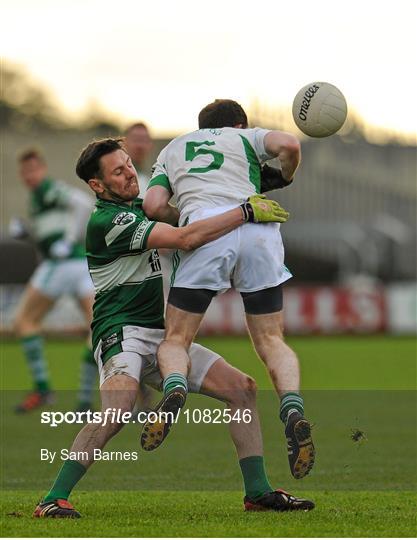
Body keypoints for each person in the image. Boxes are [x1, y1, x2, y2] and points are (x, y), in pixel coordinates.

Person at [33, 137, 314, 517]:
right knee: (117, 410)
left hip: (161, 337)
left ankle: (258, 492)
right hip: (121, 334)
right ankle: (53, 498)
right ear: (97, 186)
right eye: (118, 171)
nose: (131, 172)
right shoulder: (108, 221)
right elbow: (186, 236)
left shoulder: (138, 206)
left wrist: (249, 185)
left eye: (129, 163)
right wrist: (245, 212)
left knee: (243, 390)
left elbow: (196, 209)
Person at [143, 99, 315, 480]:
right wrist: (285, 176)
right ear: (240, 123)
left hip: (206, 232)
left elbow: (153, 204)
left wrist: (185, 217)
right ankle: (291, 406)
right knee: (271, 338)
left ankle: (174, 386)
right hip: (259, 230)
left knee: (176, 337)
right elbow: (291, 145)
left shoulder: (173, 148)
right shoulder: (246, 137)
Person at [12, 148, 97, 413]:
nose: (30, 175)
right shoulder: (38, 198)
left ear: (43, 169)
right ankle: (84, 402)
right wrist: (29, 232)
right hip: (81, 265)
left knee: (24, 321)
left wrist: (68, 240)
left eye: (34, 169)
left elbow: (83, 204)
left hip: (61, 266)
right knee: (97, 328)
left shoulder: (49, 189)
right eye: (26, 171)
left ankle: (43, 388)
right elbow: (52, 230)